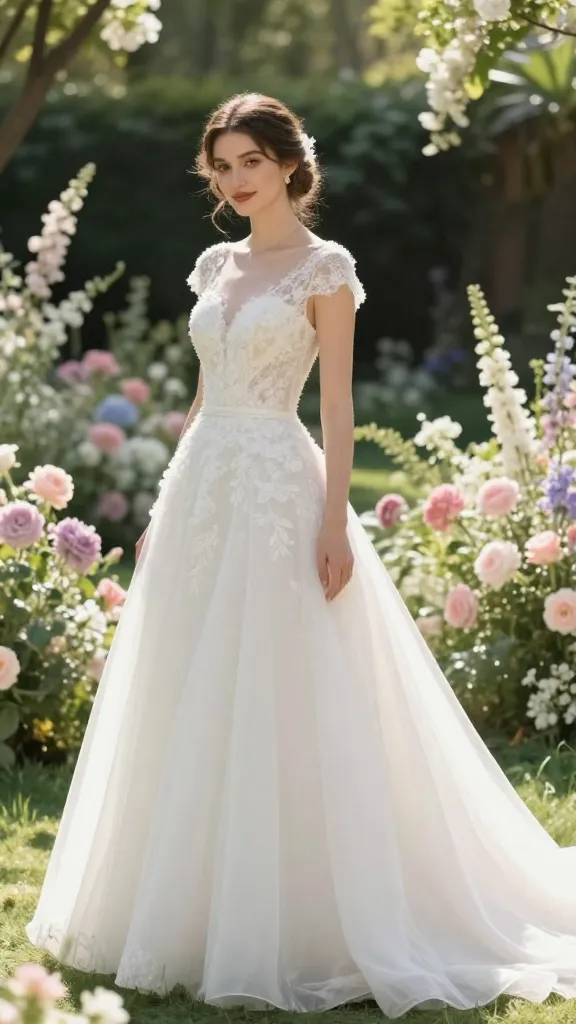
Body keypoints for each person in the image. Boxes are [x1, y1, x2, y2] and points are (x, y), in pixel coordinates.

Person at [26, 92, 576, 1018]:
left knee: (284, 683)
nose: (236, 180)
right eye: (223, 165)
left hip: (280, 485)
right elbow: (205, 395)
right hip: (203, 486)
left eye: (251, 161)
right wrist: (167, 497)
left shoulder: (326, 269)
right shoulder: (215, 264)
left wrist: (333, 523)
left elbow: (338, 409)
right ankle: (179, 904)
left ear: (289, 162)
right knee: (184, 683)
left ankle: (303, 907)